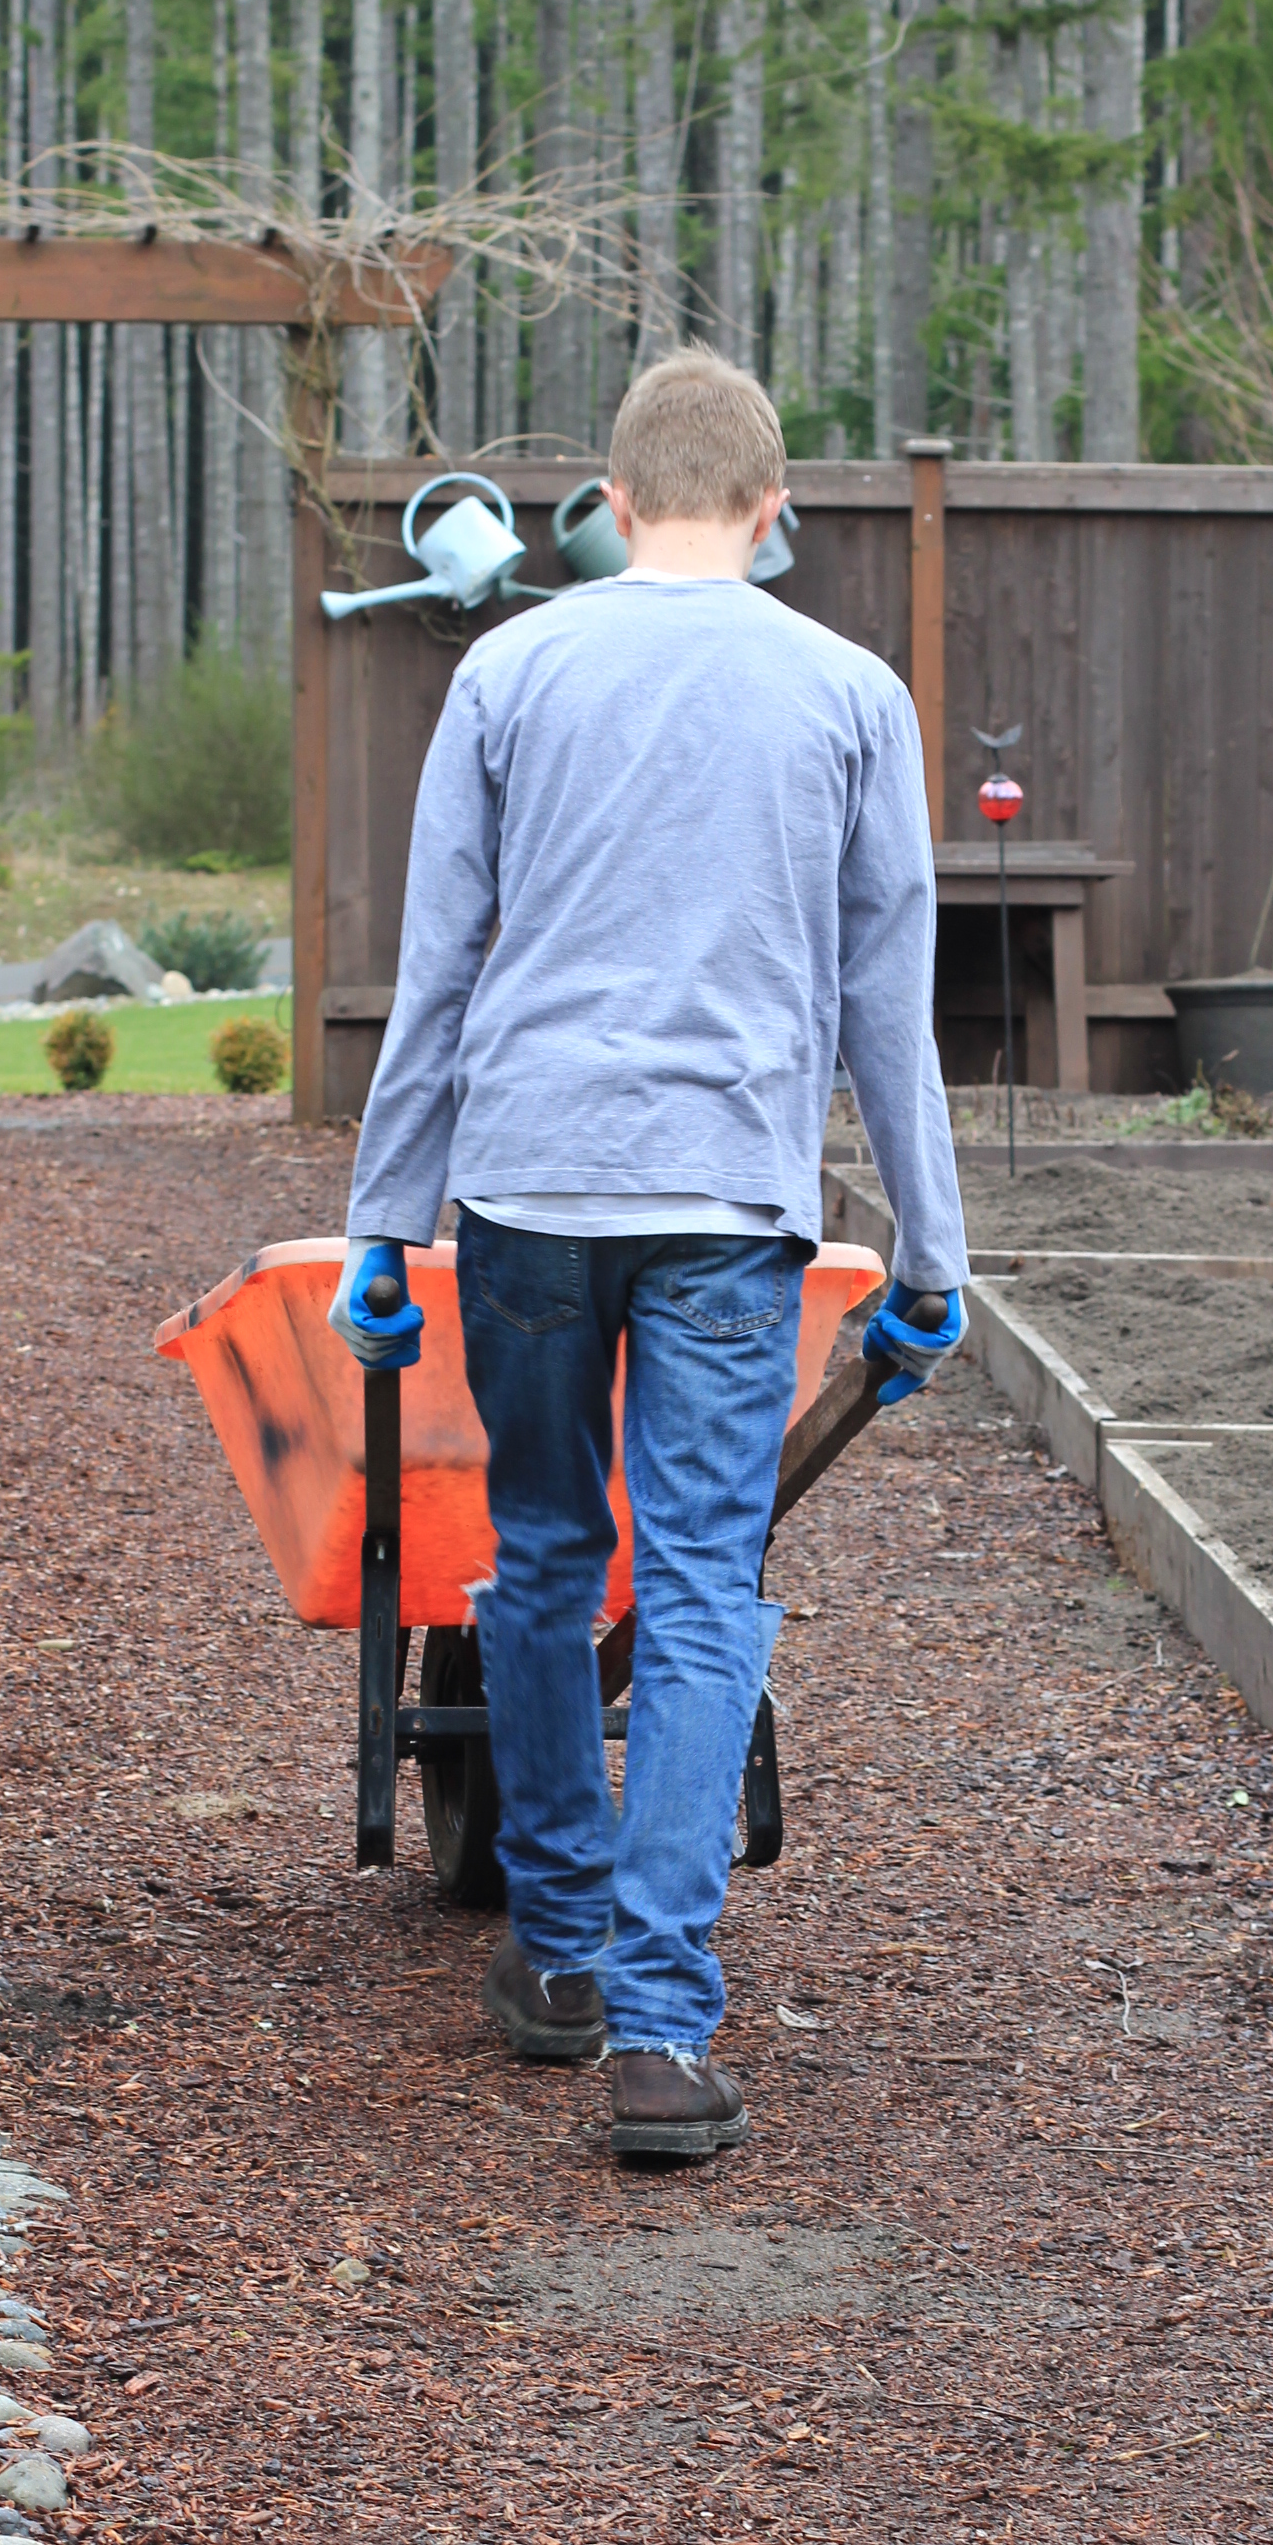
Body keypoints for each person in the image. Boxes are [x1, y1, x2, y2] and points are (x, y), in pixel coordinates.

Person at [330, 348, 968, 2158]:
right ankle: (663, 2041)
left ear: (610, 508)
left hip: (528, 1189)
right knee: (697, 1589)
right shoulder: (852, 693)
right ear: (779, 518)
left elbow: (437, 965)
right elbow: (884, 1008)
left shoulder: (510, 668)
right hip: (725, 1206)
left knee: (541, 1555)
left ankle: (558, 1955)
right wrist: (932, 1249)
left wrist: (390, 1219)